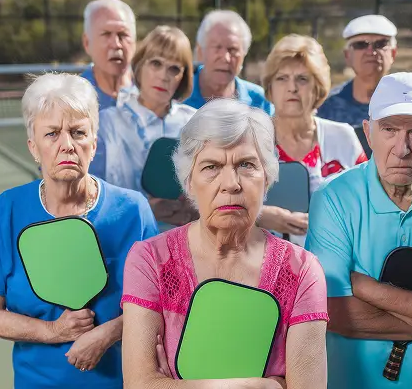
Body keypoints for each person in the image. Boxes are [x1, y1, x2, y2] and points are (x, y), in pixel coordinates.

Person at [121, 98, 328, 389]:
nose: (231, 183)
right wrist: (264, 386)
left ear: (267, 178)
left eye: (246, 165)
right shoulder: (150, 259)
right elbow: (139, 385)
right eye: (212, 166)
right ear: (189, 181)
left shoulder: (302, 271)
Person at [0, 73, 158, 389]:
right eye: (52, 134)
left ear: (94, 143)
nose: (67, 145)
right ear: (33, 147)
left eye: (78, 132)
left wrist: (106, 333)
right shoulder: (8, 209)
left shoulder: (133, 211)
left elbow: (159, 306)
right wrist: (54, 331)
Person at [306, 72, 412, 389]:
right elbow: (332, 311)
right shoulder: (332, 198)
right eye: (389, 130)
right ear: (368, 134)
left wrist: (368, 289)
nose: (402, 148)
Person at [257, 34, 367, 245]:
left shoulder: (343, 137)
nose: (292, 88)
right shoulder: (248, 139)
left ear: (318, 88)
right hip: (261, 262)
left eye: (302, 79)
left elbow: (368, 203)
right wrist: (259, 216)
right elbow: (220, 205)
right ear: (270, 88)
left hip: (335, 259)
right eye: (282, 78)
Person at [89, 26, 197, 228]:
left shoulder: (197, 122)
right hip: (126, 241)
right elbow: (91, 198)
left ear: (184, 76)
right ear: (139, 65)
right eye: (156, 63)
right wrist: (144, 208)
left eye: (174, 68)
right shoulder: (105, 124)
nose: (164, 76)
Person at [183, 10, 273, 115]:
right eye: (217, 47)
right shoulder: (179, 93)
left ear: (244, 54)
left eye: (233, 49)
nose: (225, 58)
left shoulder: (259, 101)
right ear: (200, 51)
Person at [317, 14, 397, 128]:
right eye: (361, 45)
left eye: (380, 44)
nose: (371, 52)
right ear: (347, 55)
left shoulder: (408, 102)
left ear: (393, 53)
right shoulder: (327, 106)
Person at [81, 0, 136, 110]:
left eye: (123, 34)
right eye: (106, 34)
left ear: (134, 42)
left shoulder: (154, 93)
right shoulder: (71, 98)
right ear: (87, 43)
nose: (116, 44)